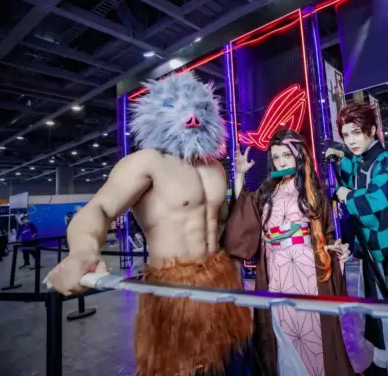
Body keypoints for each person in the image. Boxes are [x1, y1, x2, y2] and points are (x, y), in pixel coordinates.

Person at [46, 72, 252, 376]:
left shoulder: (216, 168)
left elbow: (222, 226)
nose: (192, 115)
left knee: (233, 362)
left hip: (222, 283)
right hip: (172, 291)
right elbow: (99, 209)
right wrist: (82, 252)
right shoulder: (146, 162)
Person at [225, 129, 352, 376]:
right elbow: (244, 214)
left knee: (312, 330)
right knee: (281, 330)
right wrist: (239, 174)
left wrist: (334, 249)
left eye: (286, 155)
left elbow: (326, 232)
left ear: (298, 155)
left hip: (308, 270)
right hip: (275, 268)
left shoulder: (312, 189)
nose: (281, 162)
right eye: (275, 157)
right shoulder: (266, 191)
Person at [325, 102, 388, 376]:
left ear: (372, 130)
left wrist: (347, 195)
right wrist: (338, 154)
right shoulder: (358, 160)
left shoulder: (385, 162)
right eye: (346, 135)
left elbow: (378, 201)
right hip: (369, 254)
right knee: (378, 319)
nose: (351, 140)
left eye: (356, 133)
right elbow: (346, 169)